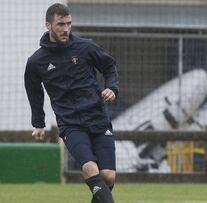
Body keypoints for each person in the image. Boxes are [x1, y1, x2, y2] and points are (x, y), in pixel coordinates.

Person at [24, 3, 118, 203]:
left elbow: (109, 66)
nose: (66, 29)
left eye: (69, 24)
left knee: (108, 175)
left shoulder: (86, 47)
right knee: (90, 168)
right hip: (70, 123)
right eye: (60, 24)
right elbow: (34, 91)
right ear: (48, 25)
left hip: (98, 117)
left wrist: (112, 87)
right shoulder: (36, 62)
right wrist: (38, 123)